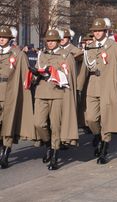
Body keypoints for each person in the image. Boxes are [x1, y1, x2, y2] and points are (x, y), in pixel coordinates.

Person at [77, 18, 117, 164]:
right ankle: (99, 135)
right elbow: (85, 68)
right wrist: (79, 87)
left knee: (106, 118)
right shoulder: (89, 47)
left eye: (100, 30)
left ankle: (104, 148)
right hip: (93, 85)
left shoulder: (115, 47)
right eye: (95, 31)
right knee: (91, 118)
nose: (97, 33)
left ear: (105, 32)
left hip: (108, 85)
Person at [32, 29, 78, 170]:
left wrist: (54, 74)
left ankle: (54, 155)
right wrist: (34, 75)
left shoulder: (66, 56)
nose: (50, 43)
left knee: (55, 126)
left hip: (58, 94)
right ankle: (48, 145)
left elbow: (69, 76)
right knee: (39, 123)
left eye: (53, 41)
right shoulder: (41, 54)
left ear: (58, 41)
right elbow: (35, 72)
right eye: (48, 41)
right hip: (41, 92)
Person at [0, 26, 36, 168]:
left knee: (8, 123)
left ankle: (6, 153)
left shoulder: (18, 54)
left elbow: (26, 73)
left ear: (10, 39)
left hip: (10, 91)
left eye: (4, 37)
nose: (1, 39)